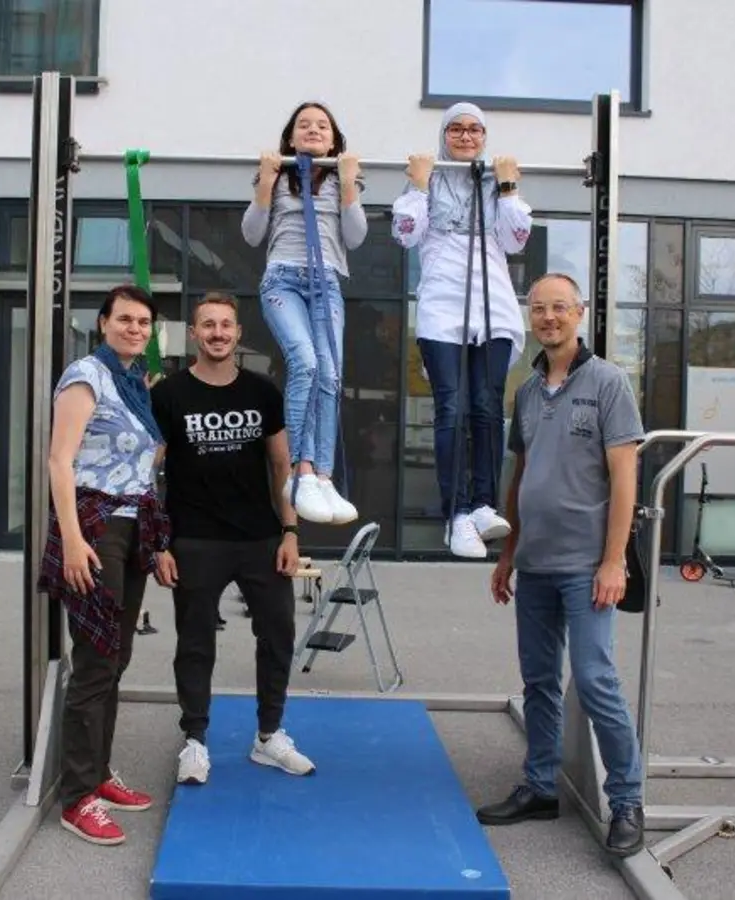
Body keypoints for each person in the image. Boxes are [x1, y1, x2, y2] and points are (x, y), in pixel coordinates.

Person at [478, 273, 646, 857]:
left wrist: (613, 561)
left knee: (597, 681)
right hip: (536, 564)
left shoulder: (607, 383)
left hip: (587, 565)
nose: (549, 317)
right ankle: (541, 786)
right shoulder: (525, 391)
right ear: (530, 317)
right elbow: (520, 478)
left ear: (579, 313)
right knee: (539, 682)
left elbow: (625, 478)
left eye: (559, 308)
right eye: (539, 309)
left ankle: (627, 802)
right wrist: (508, 551)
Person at [151, 292, 317, 785]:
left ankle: (269, 736)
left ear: (238, 333)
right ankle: (195, 742)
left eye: (226, 325)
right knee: (196, 643)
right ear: (194, 334)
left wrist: (290, 531)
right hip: (194, 540)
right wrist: (159, 543)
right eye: (208, 325)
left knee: (279, 636)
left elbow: (281, 465)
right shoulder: (169, 395)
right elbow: (148, 470)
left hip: (260, 538)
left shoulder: (263, 391)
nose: (218, 333)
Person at [39, 284, 170, 847]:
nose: (135, 329)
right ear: (103, 323)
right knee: (94, 661)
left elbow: (143, 464)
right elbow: (59, 459)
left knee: (117, 657)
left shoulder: (135, 385)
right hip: (92, 528)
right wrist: (70, 538)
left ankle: (96, 773)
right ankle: (77, 798)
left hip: (131, 528)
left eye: (144, 323)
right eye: (125, 320)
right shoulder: (85, 376)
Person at [392, 101, 530, 559]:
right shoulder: (427, 179)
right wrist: (417, 185)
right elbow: (406, 234)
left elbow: (515, 239)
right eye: (456, 128)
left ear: (484, 137)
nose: (466, 136)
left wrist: (508, 188)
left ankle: (484, 503)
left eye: (475, 129)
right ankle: (455, 514)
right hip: (442, 305)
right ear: (444, 134)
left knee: (487, 406)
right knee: (450, 407)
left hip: (492, 305)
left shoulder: (493, 182)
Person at [242, 100, 368, 527]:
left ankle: (324, 476)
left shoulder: (339, 178)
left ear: (334, 139)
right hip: (283, 280)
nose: (313, 130)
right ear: (291, 137)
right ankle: (300, 470)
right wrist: (265, 183)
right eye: (304, 125)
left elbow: (355, 237)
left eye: (322, 126)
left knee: (331, 374)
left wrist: (349, 183)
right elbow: (252, 234)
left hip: (326, 280)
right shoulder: (276, 177)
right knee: (306, 362)